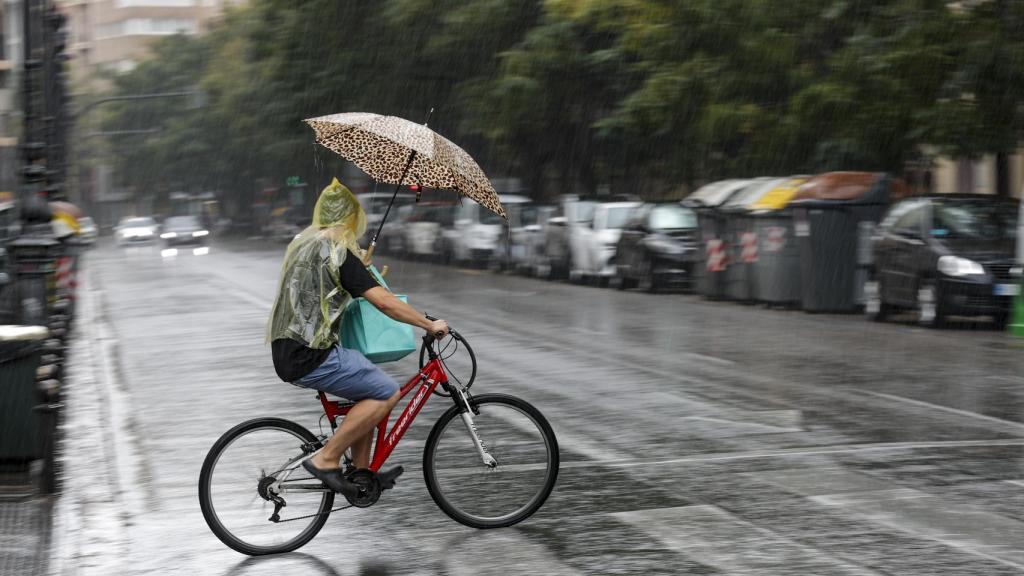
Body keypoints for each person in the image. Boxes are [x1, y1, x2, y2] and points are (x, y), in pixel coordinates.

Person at [267, 178, 448, 498]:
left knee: (368, 383)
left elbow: (322, 290)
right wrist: (426, 324)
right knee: (385, 391)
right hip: (311, 354)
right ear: (350, 220)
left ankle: (362, 473)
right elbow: (384, 302)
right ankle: (327, 459)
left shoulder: (309, 245)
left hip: (288, 348)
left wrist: (359, 268)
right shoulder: (339, 253)